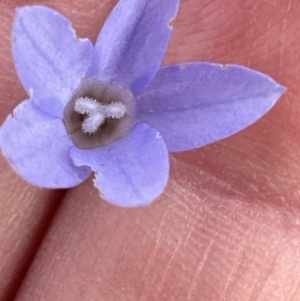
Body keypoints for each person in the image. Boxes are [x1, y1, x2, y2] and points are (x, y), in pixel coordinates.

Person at [0, 0, 299, 300]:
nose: (100, 113)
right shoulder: (39, 143)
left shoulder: (126, 159)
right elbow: (26, 148)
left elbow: (231, 102)